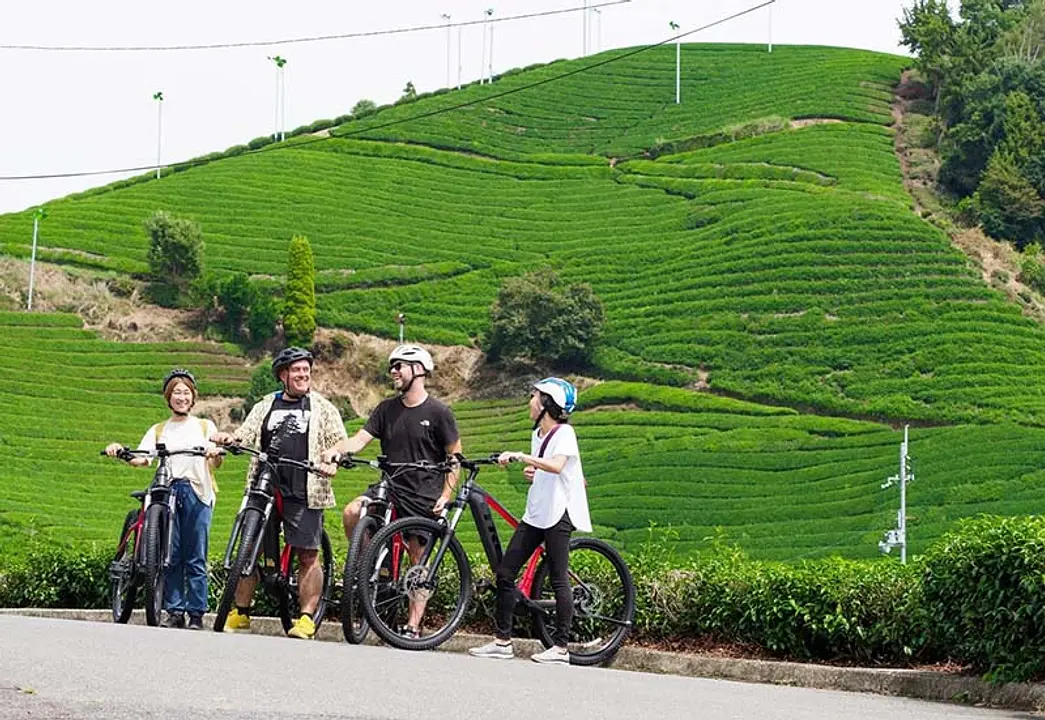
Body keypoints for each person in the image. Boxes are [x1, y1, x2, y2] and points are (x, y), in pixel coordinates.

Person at [322, 344, 462, 639]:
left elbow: (454, 459)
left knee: (417, 558)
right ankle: (366, 566)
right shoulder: (386, 409)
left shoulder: (438, 413)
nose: (394, 372)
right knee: (351, 512)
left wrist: (446, 496)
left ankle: (413, 624)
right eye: (392, 367)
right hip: (389, 486)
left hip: (423, 493)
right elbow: (358, 441)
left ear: (419, 370)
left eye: (400, 366)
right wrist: (334, 451)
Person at [211, 347, 346, 639]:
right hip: (264, 482)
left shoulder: (322, 407)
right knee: (249, 548)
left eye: (306, 370)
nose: (303, 375)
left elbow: (339, 442)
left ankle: (307, 618)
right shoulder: (265, 404)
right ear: (283, 375)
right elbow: (244, 434)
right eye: (296, 370)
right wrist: (228, 438)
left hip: (304, 486)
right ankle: (241, 612)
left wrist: (332, 459)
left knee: (308, 555)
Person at [469, 377, 592, 664]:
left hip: (559, 513)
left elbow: (560, 465)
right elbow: (549, 468)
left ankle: (561, 648)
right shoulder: (538, 434)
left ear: (547, 403)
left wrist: (525, 458)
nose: (530, 401)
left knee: (559, 577)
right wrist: (535, 471)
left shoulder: (564, 433)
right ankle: (503, 641)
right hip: (536, 511)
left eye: (534, 396)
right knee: (505, 571)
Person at [104, 369, 223, 631]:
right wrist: (121, 451)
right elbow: (142, 458)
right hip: (166, 491)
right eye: (176, 393)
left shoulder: (204, 426)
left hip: (197, 492)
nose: (181, 397)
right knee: (171, 554)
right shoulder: (159, 430)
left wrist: (214, 452)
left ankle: (196, 613)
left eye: (186, 392)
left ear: (193, 397)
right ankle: (174, 610)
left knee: (196, 555)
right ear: (168, 398)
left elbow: (217, 460)